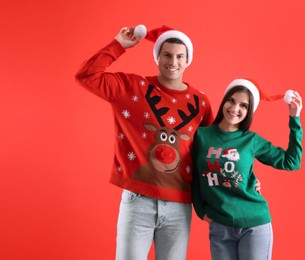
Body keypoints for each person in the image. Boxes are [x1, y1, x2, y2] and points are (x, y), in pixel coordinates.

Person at [75, 25, 213, 260]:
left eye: (180, 56)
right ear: (157, 56)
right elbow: (86, 76)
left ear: (188, 60)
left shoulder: (201, 102)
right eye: (167, 54)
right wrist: (118, 46)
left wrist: (245, 182)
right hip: (138, 203)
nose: (173, 62)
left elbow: (212, 153)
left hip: (179, 205)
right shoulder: (131, 88)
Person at [191, 78, 303, 260]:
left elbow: (291, 162)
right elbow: (194, 176)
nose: (235, 108)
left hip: (254, 224)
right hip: (220, 224)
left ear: (249, 112)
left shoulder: (250, 140)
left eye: (243, 105)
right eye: (232, 101)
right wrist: (200, 210)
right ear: (224, 100)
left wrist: (294, 119)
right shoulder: (202, 135)